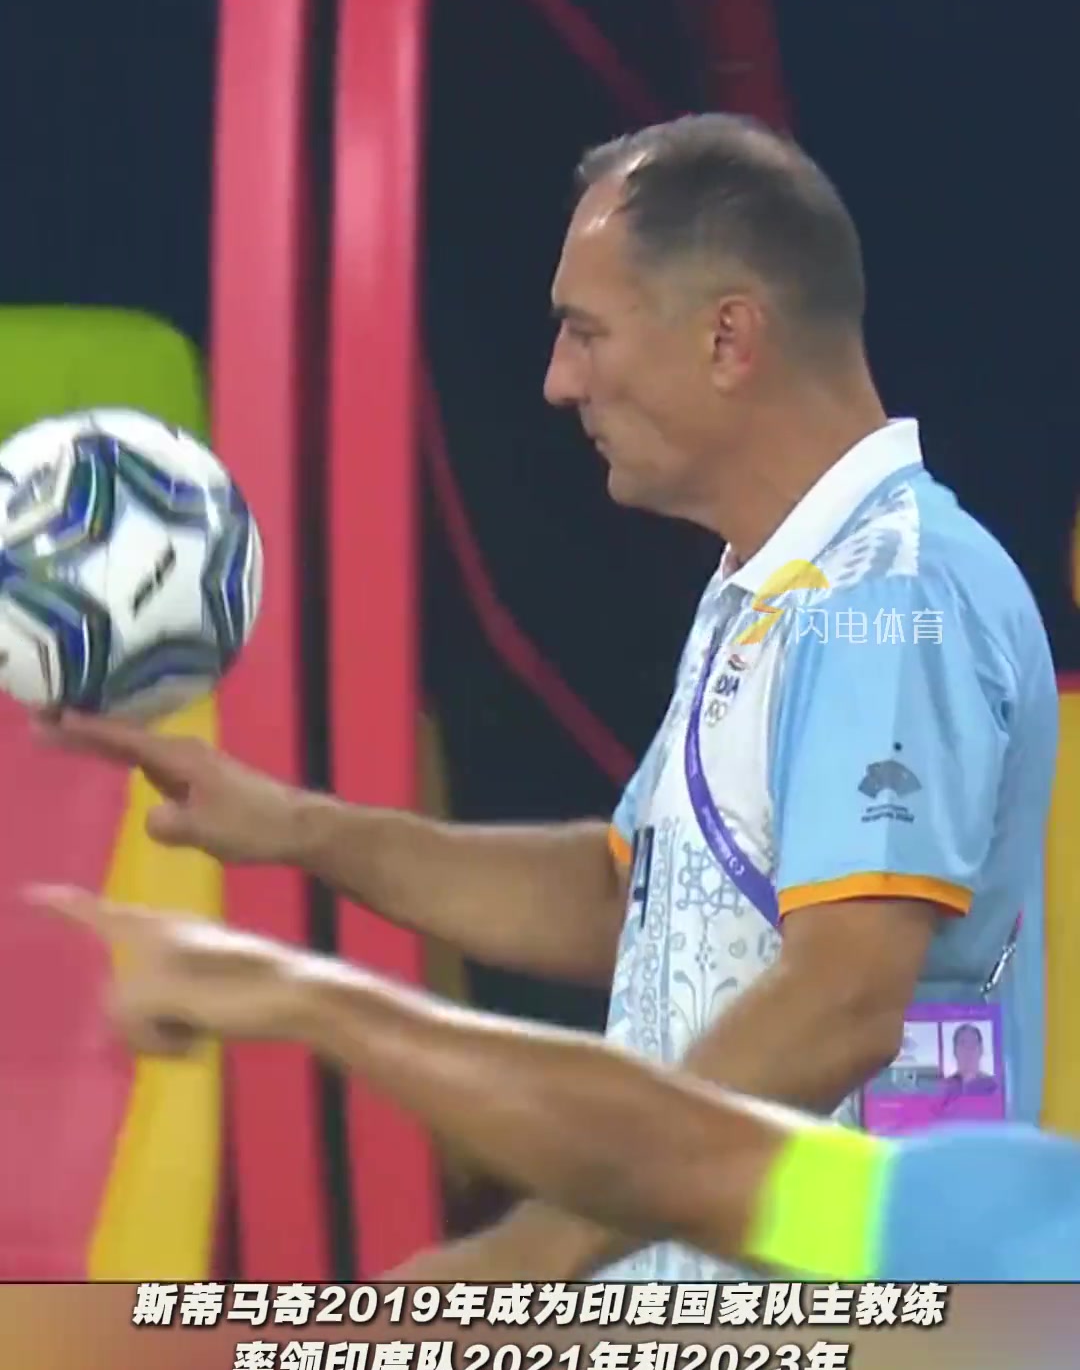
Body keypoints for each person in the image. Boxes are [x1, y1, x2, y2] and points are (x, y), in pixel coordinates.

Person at [39, 113, 1058, 1284]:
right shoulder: (773, 587)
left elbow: (842, 999)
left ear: (729, 338)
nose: (559, 380)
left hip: (856, 1352)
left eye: (587, 331)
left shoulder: (892, 593)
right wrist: (293, 828)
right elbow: (622, 899)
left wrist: (542, 1246)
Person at [30, 887, 1080, 1281]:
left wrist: (299, 996)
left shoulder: (1022, 1243)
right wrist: (302, 992)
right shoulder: (1014, 1227)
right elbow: (697, 1169)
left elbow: (696, 1170)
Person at [941, 1022, 998, 1097]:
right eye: (963, 1044)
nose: (968, 1050)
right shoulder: (945, 1088)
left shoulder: (993, 1087)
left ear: (981, 1050)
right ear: (955, 1051)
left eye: (973, 1044)